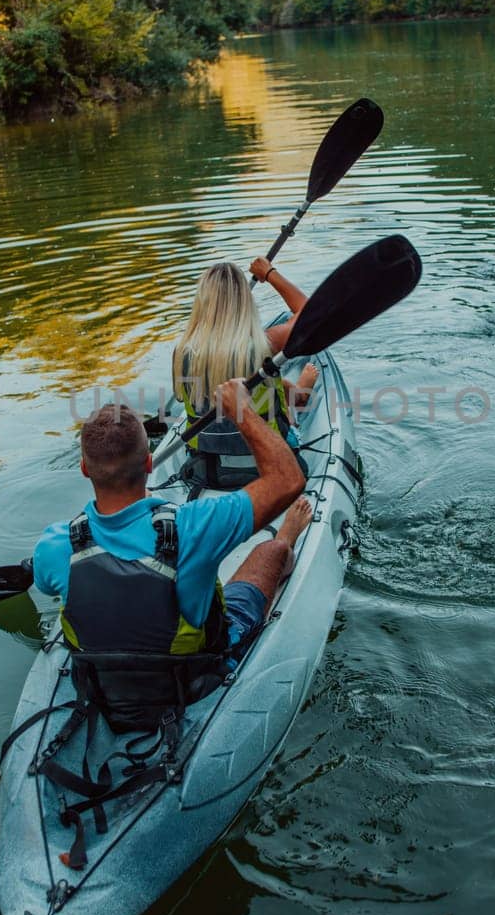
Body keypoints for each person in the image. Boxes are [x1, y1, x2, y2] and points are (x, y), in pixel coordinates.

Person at [32, 388, 311, 667]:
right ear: (150, 463)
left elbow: (46, 584)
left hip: (101, 681)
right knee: (271, 550)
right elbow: (288, 479)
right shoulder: (195, 524)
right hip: (194, 675)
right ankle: (287, 534)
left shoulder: (54, 545)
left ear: (84, 468)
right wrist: (242, 410)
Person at [172, 258, 320, 484]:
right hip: (271, 463)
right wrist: (269, 273)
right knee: (275, 389)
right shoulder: (266, 344)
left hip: (209, 469)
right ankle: (298, 396)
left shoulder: (182, 352)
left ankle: (297, 394)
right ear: (245, 302)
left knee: (268, 385)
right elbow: (312, 315)